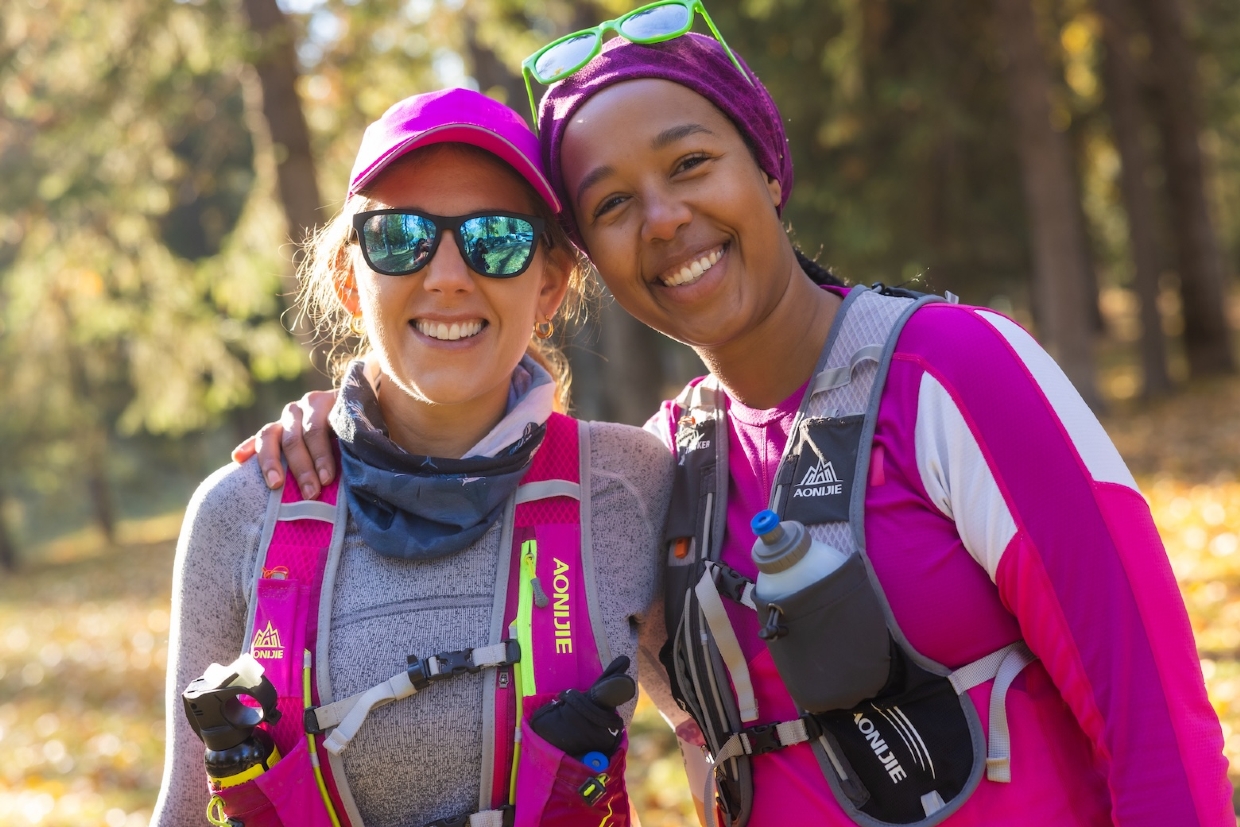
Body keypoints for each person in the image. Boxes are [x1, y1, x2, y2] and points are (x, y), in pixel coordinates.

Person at [237, 7, 1233, 827]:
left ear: (765, 165)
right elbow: (469, 475)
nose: (663, 218)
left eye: (689, 164)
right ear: (584, 264)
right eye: (613, 203)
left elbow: (1155, 716)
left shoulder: (954, 371)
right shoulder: (656, 471)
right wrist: (341, 423)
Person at [153, 88, 675, 827]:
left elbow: (721, 744)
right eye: (400, 236)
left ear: (550, 285)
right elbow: (183, 811)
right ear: (349, 279)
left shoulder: (629, 486)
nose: (448, 275)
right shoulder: (243, 512)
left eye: (498, 238)